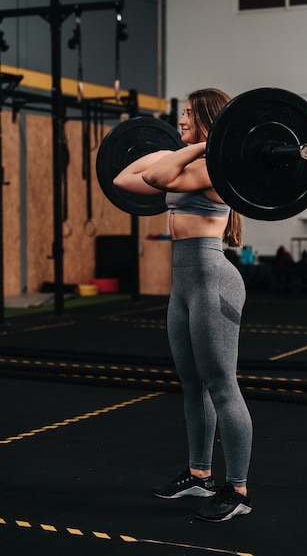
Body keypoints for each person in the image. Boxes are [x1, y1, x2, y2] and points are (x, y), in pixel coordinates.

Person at [113, 88, 253, 522]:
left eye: (190, 114)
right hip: (186, 283)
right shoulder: (191, 159)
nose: (182, 119)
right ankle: (199, 474)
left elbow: (155, 179)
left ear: (210, 120)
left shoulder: (216, 167)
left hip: (213, 279)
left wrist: (198, 147)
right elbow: (123, 177)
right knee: (191, 383)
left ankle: (238, 489)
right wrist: (183, 147)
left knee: (221, 384)